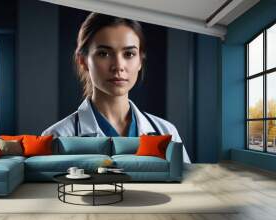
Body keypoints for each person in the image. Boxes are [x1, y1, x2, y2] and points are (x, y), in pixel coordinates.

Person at [42, 13, 191, 163]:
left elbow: (186, 185)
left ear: (140, 61)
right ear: (83, 61)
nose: (118, 66)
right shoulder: (56, 137)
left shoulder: (166, 132)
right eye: (104, 53)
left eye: (129, 54)